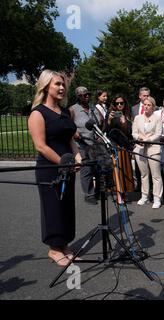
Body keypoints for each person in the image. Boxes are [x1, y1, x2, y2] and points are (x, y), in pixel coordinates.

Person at [28, 70, 81, 267]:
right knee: (53, 208)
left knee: (66, 206)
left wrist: (77, 156)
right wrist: (64, 162)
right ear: (45, 87)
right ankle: (54, 248)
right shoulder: (38, 113)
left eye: (63, 84)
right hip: (50, 169)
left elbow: (70, 138)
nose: (62, 87)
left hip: (66, 165)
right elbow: (40, 145)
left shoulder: (66, 112)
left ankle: (64, 244)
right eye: (57, 84)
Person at [69, 86, 103, 205]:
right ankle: (89, 194)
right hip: (81, 144)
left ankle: (99, 191)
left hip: (95, 143)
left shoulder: (93, 108)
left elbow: (100, 122)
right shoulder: (73, 109)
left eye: (88, 94)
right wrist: (74, 132)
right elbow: (68, 125)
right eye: (84, 94)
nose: (87, 96)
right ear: (78, 96)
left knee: (98, 169)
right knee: (87, 170)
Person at [132, 97, 163, 208]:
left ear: (153, 107)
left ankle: (157, 198)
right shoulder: (137, 118)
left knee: (156, 175)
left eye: (149, 105)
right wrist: (140, 138)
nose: (146, 106)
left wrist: (148, 140)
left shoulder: (157, 118)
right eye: (145, 104)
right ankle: (144, 196)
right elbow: (134, 133)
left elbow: (158, 134)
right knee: (143, 174)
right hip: (140, 148)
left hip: (153, 148)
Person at [104, 95, 135, 198]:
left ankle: (124, 191)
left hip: (125, 146)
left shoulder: (128, 114)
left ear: (125, 103)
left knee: (125, 170)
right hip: (115, 146)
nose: (119, 105)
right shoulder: (110, 114)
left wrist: (125, 122)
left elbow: (130, 132)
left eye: (122, 103)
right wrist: (109, 120)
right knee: (117, 170)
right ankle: (118, 193)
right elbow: (106, 130)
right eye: (117, 103)